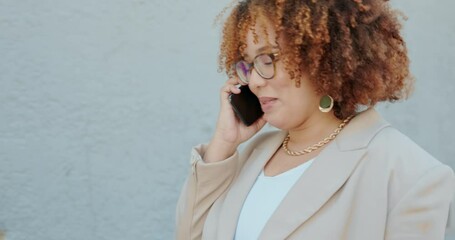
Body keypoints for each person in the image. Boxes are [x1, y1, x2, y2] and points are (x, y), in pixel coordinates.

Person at [176, 0, 455, 239]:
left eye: (268, 58)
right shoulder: (247, 157)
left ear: (321, 55)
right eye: (249, 65)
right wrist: (222, 146)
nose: (256, 81)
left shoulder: (410, 176)